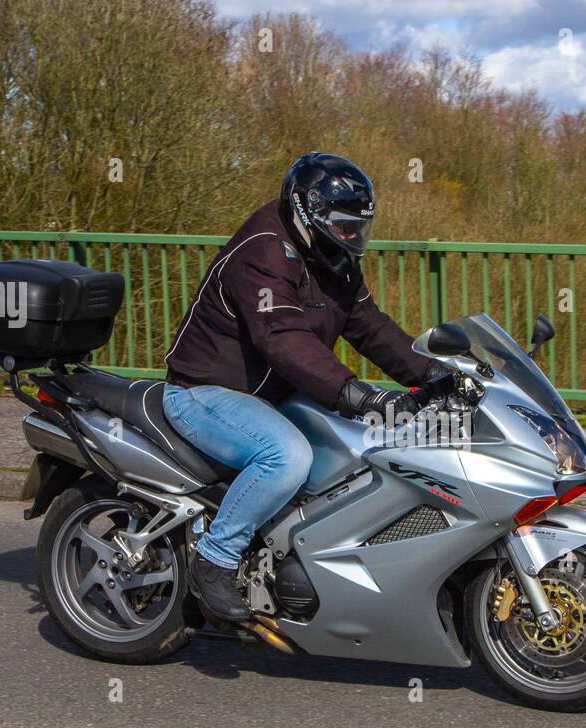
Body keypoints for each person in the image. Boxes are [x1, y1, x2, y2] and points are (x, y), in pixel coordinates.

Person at [162, 152, 443, 622]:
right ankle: (215, 559)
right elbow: (282, 338)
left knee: (368, 446)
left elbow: (370, 326)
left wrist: (431, 373)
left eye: (359, 226)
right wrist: (352, 392)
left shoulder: (331, 255)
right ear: (307, 213)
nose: (353, 236)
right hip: (207, 390)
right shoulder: (264, 251)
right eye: (344, 224)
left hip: (272, 393)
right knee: (286, 457)